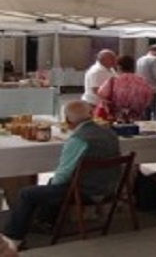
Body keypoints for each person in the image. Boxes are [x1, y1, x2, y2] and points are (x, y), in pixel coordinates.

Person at [2, 101, 120, 250]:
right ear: (90, 114)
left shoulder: (79, 139)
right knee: (52, 183)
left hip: (87, 192)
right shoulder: (109, 132)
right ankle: (46, 221)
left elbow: (63, 175)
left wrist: (52, 185)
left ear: (68, 121)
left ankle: (13, 238)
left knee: (27, 193)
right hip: (109, 187)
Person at [98, 55, 154, 122]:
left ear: (119, 67)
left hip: (116, 118)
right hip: (137, 118)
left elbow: (101, 94)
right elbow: (149, 99)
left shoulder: (113, 81)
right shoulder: (143, 81)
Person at [136, 44, 156, 119]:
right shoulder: (155, 59)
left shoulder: (140, 59)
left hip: (142, 89)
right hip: (153, 89)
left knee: (145, 112)